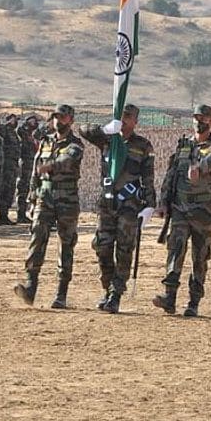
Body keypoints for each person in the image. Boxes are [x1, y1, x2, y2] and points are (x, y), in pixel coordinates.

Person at [79, 104, 156, 314]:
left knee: (124, 249)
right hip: (107, 203)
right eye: (121, 116)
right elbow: (83, 130)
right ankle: (107, 288)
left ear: (135, 121)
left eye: (128, 117)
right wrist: (105, 129)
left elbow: (148, 178)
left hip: (129, 205)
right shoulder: (108, 139)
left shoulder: (143, 145)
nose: (123, 120)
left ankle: (116, 294)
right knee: (102, 247)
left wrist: (150, 205)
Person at [152, 104, 211, 317]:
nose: (199, 121)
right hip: (180, 209)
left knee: (199, 257)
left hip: (203, 212)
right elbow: (171, 175)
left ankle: (193, 302)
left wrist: (199, 168)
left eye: (204, 118)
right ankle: (169, 297)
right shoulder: (183, 146)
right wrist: (163, 201)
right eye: (196, 117)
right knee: (175, 250)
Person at [14, 104, 84, 309]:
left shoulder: (75, 144)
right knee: (36, 239)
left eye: (62, 118)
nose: (57, 121)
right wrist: (31, 198)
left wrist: (52, 167)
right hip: (44, 198)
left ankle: (61, 294)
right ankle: (30, 288)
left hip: (67, 200)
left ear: (70, 120)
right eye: (55, 117)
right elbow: (35, 172)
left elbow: (68, 160)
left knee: (66, 244)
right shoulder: (45, 142)